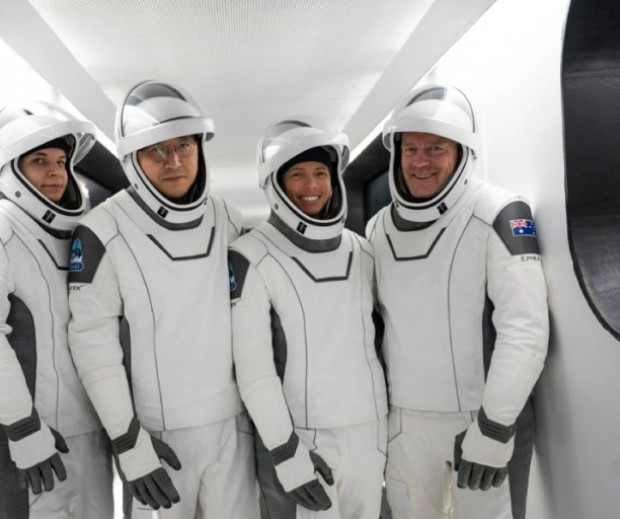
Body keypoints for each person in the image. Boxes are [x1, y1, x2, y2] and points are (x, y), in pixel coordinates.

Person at [67, 80, 259, 519]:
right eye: (156, 150)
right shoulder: (101, 230)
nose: (173, 161)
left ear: (200, 149)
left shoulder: (228, 218)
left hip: (234, 428)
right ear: (131, 159)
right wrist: (127, 439)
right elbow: (93, 345)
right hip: (156, 436)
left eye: (183, 146)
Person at [365, 84, 548, 519]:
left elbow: (524, 328)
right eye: (410, 149)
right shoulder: (377, 229)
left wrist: (495, 426)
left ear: (463, 152)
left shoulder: (500, 212)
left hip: (481, 420)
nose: (421, 161)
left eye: (436, 148)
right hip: (404, 424)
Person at [0, 101, 114, 519]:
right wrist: (23, 426)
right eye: (40, 161)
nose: (56, 172)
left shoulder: (80, 235)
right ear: (11, 170)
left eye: (61, 161)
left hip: (89, 434)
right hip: (19, 438)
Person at [229, 119, 388, 519]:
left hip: (370, 432)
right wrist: (286, 452)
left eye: (320, 172)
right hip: (303, 439)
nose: (311, 185)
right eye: (297, 174)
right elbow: (254, 370)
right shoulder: (250, 255)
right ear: (275, 184)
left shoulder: (363, 251)